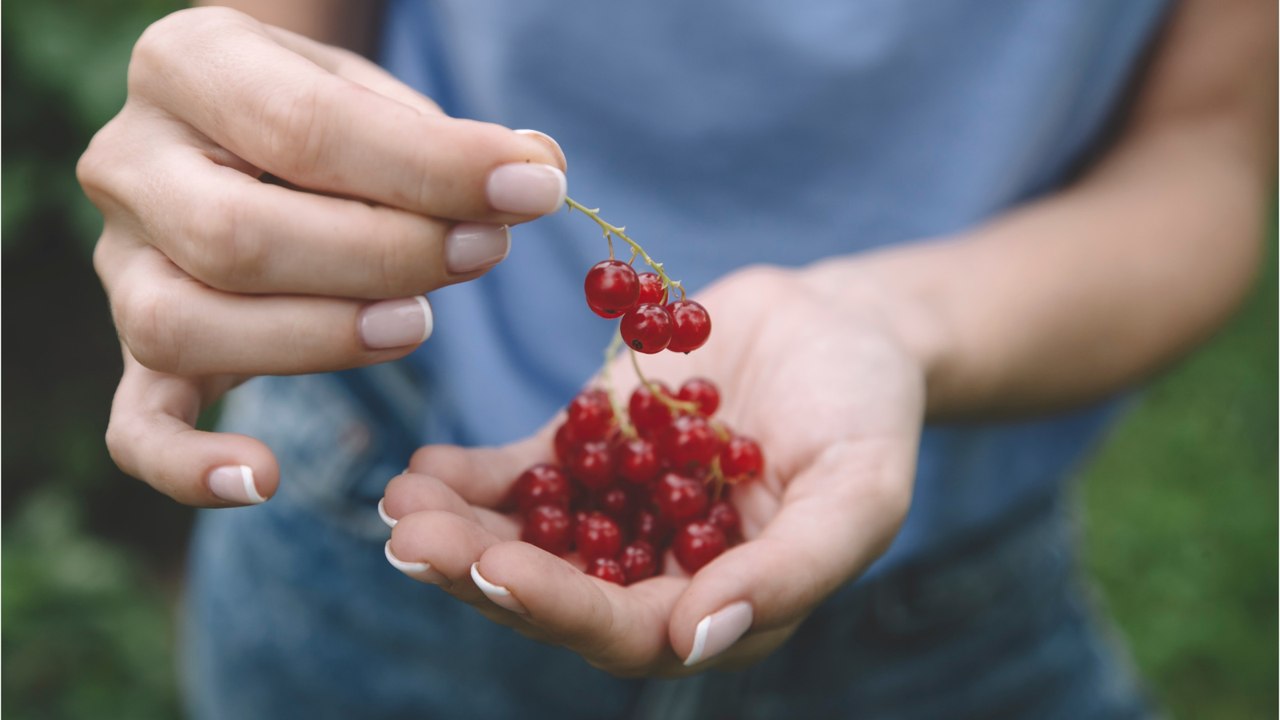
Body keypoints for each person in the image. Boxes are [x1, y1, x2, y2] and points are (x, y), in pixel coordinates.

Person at [77, 0, 1273, 717]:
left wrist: (893, 323)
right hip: (377, 510)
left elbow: (1209, 150)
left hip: (948, 587)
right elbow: (289, 34)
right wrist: (242, 144)